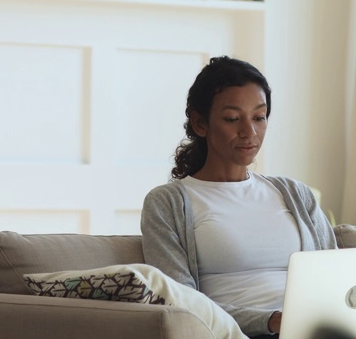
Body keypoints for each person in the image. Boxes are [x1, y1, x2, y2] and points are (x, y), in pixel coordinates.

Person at [141, 56, 337, 338]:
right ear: (200, 124)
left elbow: (337, 279)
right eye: (233, 119)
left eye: (259, 117)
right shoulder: (167, 203)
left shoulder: (295, 194)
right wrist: (270, 321)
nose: (250, 132)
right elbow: (181, 303)